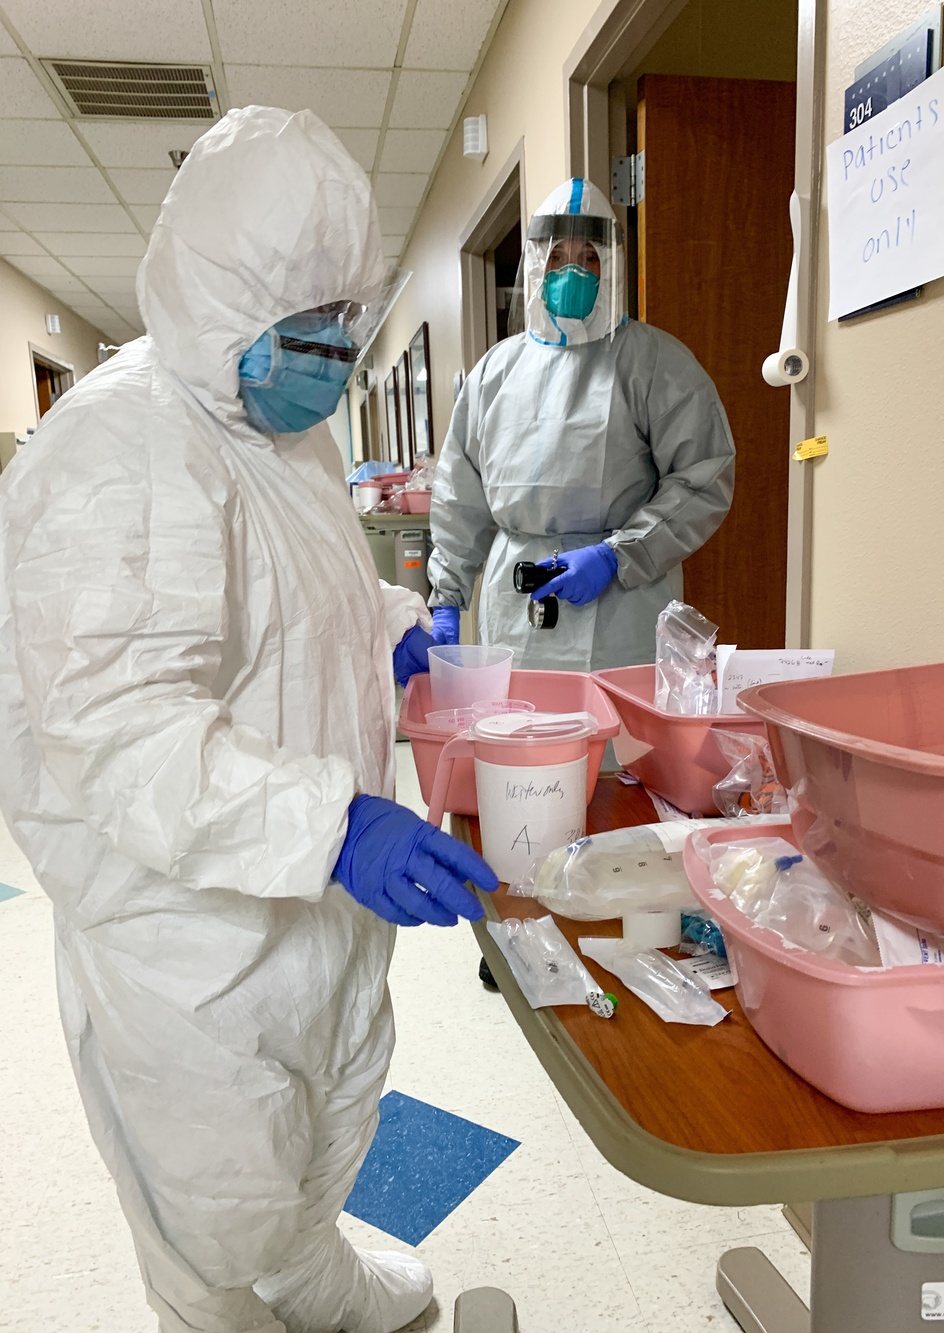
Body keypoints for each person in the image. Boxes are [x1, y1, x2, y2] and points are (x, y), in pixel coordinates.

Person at [0, 106, 497, 1333]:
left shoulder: (282, 427)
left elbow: (299, 587)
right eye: (307, 324)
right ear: (219, 300)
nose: (334, 350)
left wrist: (393, 626)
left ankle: (310, 1274)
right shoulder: (115, 452)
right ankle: (217, 1311)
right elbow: (122, 733)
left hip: (299, 866)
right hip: (185, 916)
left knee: (323, 1096)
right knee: (212, 1159)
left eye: (345, 318)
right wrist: (337, 827)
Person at [428, 177, 736, 673]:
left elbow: (705, 476)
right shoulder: (493, 374)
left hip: (621, 604)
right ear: (536, 265)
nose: (572, 271)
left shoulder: (655, 364)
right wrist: (447, 598)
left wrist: (618, 555)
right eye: (557, 257)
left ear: (611, 265)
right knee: (519, 737)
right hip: (515, 604)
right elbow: (460, 495)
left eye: (589, 257)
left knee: (615, 743)